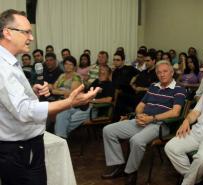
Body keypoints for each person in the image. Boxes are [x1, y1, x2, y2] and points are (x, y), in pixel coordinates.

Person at [0, 9, 100, 185]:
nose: (31, 38)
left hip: (23, 147)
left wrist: (32, 91)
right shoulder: (3, 66)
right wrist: (70, 102)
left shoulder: (9, 61)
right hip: (19, 149)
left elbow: (9, 98)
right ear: (7, 32)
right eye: (26, 32)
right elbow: (23, 111)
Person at [102, 60, 186, 185]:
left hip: (161, 125)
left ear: (172, 72)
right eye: (159, 72)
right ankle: (118, 165)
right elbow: (141, 105)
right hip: (142, 120)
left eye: (165, 71)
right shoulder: (153, 86)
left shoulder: (178, 89)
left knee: (136, 141)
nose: (162, 74)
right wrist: (139, 114)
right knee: (108, 130)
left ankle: (131, 172)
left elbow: (175, 112)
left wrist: (152, 118)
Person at [165, 59, 203, 185]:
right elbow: (195, 112)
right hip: (196, 132)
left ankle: (187, 182)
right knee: (170, 147)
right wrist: (186, 121)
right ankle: (195, 179)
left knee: (202, 159)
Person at [55, 65, 114, 138]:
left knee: (71, 119)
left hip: (94, 108)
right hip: (83, 104)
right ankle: (61, 137)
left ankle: (60, 137)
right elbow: (85, 92)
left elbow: (108, 100)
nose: (101, 73)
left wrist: (92, 100)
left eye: (104, 72)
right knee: (62, 111)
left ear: (108, 74)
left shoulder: (110, 85)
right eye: (100, 72)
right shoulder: (96, 81)